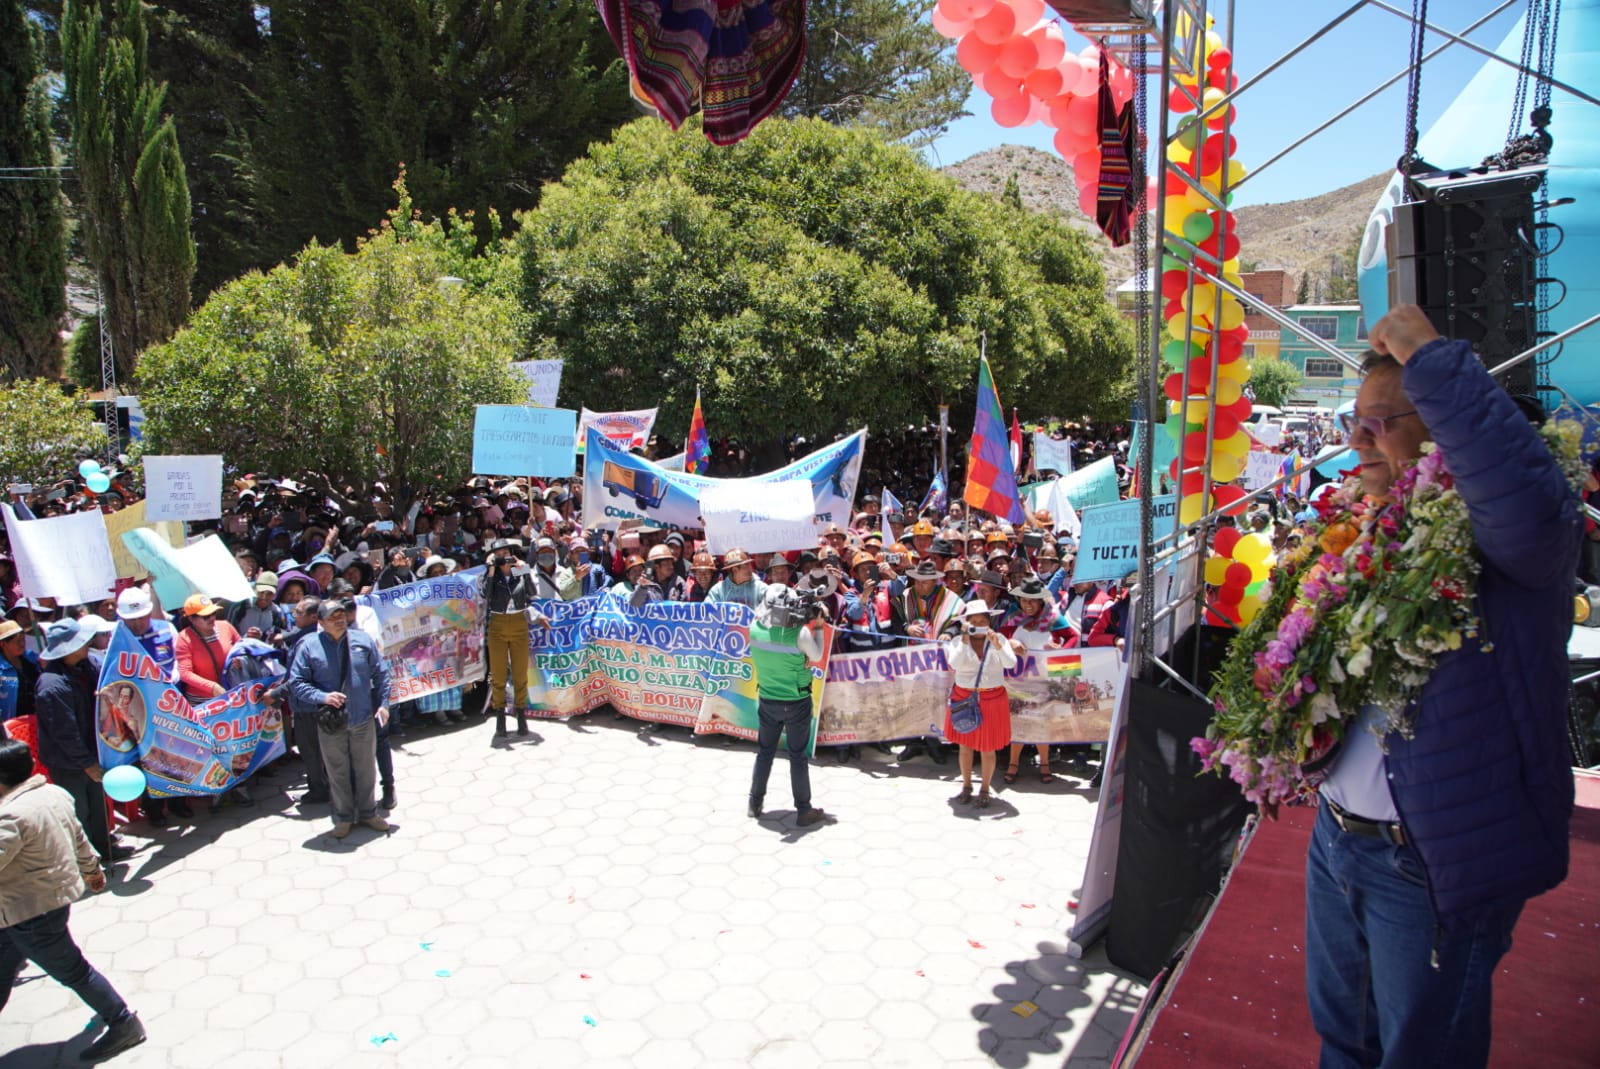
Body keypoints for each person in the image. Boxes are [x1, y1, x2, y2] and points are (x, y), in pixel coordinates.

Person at [1300, 305, 1581, 1069]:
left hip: (1428, 864)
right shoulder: (1379, 532)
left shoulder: (1513, 542)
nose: (1357, 441)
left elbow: (1519, 495)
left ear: (1445, 430)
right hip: (1338, 841)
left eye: (1380, 422)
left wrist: (1428, 354)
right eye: (1354, 422)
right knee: (1344, 1045)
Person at [0, 738, 146, 1060]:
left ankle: (123, 1023)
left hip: (31, 912)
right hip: (35, 905)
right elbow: (78, 835)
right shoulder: (53, 794)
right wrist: (92, 870)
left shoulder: (10, 817)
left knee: (75, 972)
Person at [286, 599, 392, 839]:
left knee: (366, 770)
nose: (339, 619)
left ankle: (367, 812)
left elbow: (381, 673)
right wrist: (322, 696)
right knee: (338, 772)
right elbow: (297, 682)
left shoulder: (362, 640)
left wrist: (384, 704)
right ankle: (343, 817)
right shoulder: (309, 646)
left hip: (363, 717)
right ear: (320, 622)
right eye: (332, 616)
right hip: (330, 722)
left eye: (341, 614)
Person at [32, 620, 113, 864]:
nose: (88, 644)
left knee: (98, 807)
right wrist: (86, 762)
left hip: (91, 749)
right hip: (69, 761)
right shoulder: (52, 685)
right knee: (80, 812)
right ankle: (88, 861)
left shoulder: (85, 668)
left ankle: (105, 848)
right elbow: (64, 732)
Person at [746, 584, 827, 827]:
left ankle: (754, 802)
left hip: (769, 700)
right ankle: (803, 810)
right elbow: (817, 656)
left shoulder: (755, 629)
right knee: (797, 756)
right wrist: (820, 627)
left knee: (765, 752)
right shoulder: (800, 634)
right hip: (797, 702)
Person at [943, 600, 1017, 808]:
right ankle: (966, 785)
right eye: (974, 621)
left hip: (992, 699)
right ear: (966, 623)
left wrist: (998, 645)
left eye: (983, 621)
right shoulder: (958, 641)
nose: (979, 625)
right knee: (965, 746)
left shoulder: (999, 638)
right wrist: (965, 638)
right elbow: (954, 663)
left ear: (989, 622)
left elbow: (1011, 663)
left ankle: (985, 788)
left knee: (988, 748)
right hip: (965, 698)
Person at [479, 539, 547, 737]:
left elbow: (533, 593)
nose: (503, 557)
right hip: (498, 624)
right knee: (498, 674)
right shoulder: (492, 574)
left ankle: (521, 714)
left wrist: (524, 570)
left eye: (506, 553)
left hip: (518, 622)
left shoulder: (519, 573)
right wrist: (491, 569)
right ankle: (500, 716)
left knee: (520, 673)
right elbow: (485, 594)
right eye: (499, 554)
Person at [0, 619, 40, 723]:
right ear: (3, 644)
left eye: (23, 639)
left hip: (35, 719)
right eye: (17, 641)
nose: (22, 644)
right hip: (11, 723)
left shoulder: (32, 659)